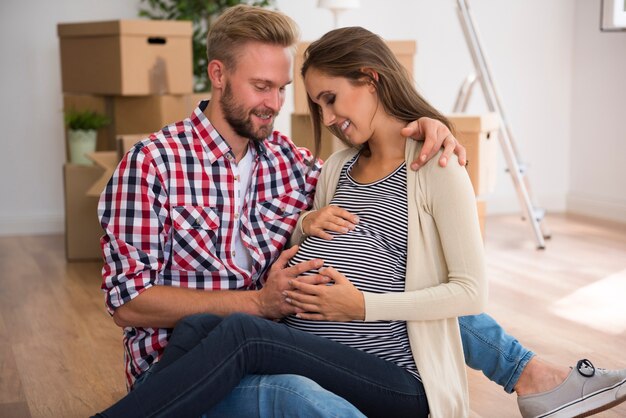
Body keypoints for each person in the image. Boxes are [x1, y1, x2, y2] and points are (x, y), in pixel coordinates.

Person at [96, 5, 626, 418]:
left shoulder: (290, 161)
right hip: (177, 367)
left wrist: (432, 127)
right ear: (217, 74)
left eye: (282, 90)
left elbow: (381, 207)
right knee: (222, 335)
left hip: (287, 348)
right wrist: (258, 301)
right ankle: (533, 374)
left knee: (391, 264)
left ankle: (530, 371)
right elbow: (128, 305)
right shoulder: (151, 165)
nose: (276, 105)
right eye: (261, 87)